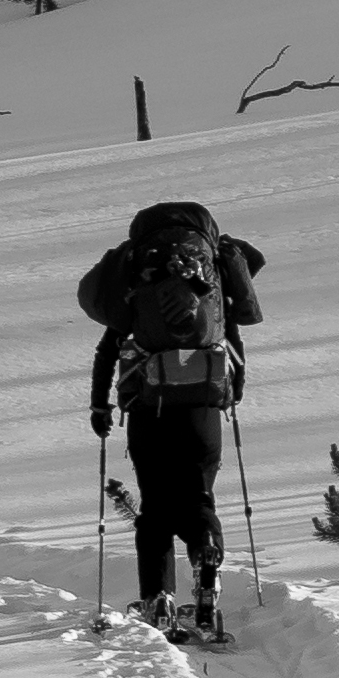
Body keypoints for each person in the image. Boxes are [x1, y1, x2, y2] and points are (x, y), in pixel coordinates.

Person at [80, 197, 265, 642]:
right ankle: (205, 559)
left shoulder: (136, 279)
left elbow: (108, 347)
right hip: (203, 406)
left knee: (156, 508)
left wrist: (100, 406)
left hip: (149, 408)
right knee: (199, 496)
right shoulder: (212, 278)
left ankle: (158, 597)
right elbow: (231, 336)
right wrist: (232, 394)